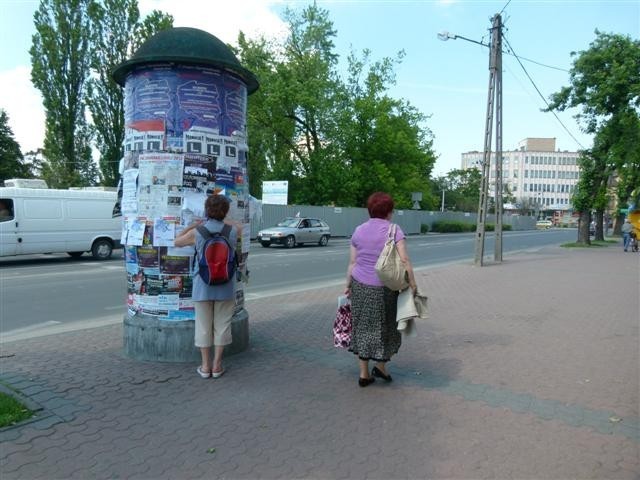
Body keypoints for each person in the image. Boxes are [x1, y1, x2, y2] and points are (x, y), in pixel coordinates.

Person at [345, 192, 417, 387]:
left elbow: (352, 262)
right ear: (388, 212)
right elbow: (404, 260)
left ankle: (363, 374)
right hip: (385, 288)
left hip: (360, 285)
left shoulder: (359, 230)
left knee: (362, 326)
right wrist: (413, 283)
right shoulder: (394, 231)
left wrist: (347, 286)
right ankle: (381, 367)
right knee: (386, 327)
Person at [174, 195, 238, 379]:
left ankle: (205, 366)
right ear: (225, 212)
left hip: (202, 285)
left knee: (203, 327)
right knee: (222, 325)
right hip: (226, 285)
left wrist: (191, 227)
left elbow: (176, 241)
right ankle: (217, 366)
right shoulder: (232, 231)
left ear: (206, 210)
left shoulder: (198, 232)